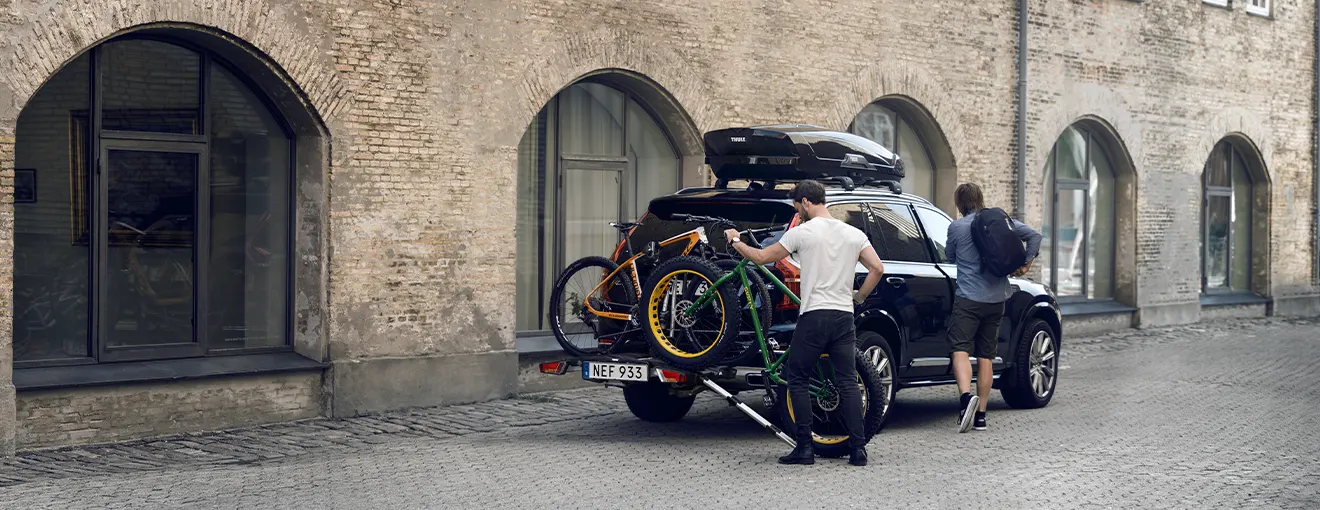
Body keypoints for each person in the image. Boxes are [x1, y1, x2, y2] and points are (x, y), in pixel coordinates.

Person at [723, 179, 885, 466]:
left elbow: (760, 257)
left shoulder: (803, 233)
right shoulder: (853, 233)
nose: (797, 210)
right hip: (843, 316)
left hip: (814, 317)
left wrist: (736, 240)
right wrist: (859, 297)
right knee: (847, 381)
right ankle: (858, 450)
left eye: (798, 204)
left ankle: (805, 448)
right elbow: (877, 268)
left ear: (807, 202)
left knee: (796, 377)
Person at [944, 183, 1042, 433]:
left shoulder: (957, 227)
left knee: (960, 350)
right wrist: (1026, 264)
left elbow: (950, 257)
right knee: (986, 356)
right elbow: (1034, 236)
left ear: (959, 204)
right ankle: (981, 417)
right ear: (980, 199)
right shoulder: (1000, 220)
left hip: (968, 298)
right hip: (997, 299)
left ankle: (966, 399)